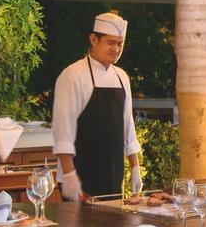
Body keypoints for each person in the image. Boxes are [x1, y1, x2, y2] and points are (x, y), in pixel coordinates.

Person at [52, 12, 142, 201]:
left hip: (113, 175)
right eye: (111, 42)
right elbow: (63, 131)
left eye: (120, 43)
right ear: (93, 40)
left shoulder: (122, 77)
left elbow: (128, 126)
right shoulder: (72, 75)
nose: (116, 49)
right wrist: (69, 175)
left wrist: (135, 167)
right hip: (80, 177)